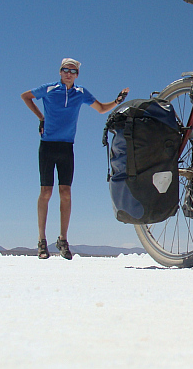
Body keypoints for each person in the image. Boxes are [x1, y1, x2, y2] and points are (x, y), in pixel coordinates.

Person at [21, 58, 129, 260]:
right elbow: (26, 97)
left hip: (66, 147)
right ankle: (42, 241)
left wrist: (117, 101)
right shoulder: (49, 89)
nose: (68, 74)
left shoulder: (80, 93)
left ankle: (63, 240)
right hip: (47, 146)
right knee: (46, 192)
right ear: (60, 72)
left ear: (77, 74)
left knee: (66, 193)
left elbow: (100, 108)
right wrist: (41, 117)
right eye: (65, 70)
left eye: (72, 71)